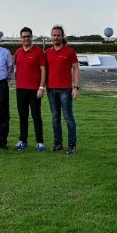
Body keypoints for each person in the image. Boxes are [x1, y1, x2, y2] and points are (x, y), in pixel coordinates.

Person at [45, 25, 80, 154]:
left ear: (62, 36)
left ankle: (72, 145)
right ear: (51, 36)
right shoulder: (47, 52)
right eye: (54, 35)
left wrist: (75, 87)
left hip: (65, 90)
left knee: (68, 117)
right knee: (55, 118)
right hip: (51, 90)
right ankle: (58, 143)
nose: (56, 37)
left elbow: (76, 69)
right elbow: (44, 70)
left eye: (58, 35)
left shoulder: (69, 52)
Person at [13, 26, 46, 151]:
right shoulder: (18, 52)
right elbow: (17, 69)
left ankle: (40, 142)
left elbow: (43, 70)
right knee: (22, 116)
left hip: (34, 90)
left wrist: (41, 87)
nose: (26, 38)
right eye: (24, 36)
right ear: (21, 38)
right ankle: (23, 140)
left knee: (36, 116)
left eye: (28, 36)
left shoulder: (38, 52)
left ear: (32, 37)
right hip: (20, 89)